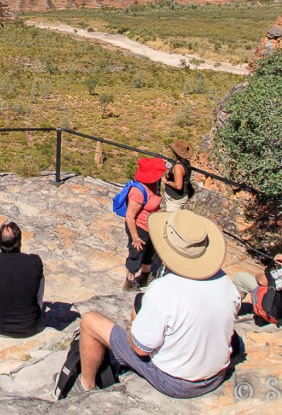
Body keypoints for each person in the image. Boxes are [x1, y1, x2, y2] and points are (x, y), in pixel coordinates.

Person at [78, 210, 240, 399]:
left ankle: (86, 386)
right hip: (217, 375)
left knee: (90, 321)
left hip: (177, 382)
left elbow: (140, 348)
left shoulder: (164, 290)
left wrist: (132, 324)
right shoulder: (225, 282)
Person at [0, 222, 45, 338]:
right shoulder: (34, 261)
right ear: (20, 241)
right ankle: (34, 308)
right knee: (40, 275)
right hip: (31, 326)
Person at [124, 157, 167, 290]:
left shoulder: (153, 185)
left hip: (151, 226)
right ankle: (129, 282)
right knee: (136, 254)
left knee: (149, 253)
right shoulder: (137, 192)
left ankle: (145, 276)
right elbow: (130, 216)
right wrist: (135, 237)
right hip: (139, 227)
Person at [163, 140, 195, 213]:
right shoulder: (186, 162)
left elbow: (178, 186)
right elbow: (176, 173)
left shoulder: (178, 167)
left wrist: (167, 182)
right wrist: (167, 164)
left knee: (171, 220)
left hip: (175, 199)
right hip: (180, 196)